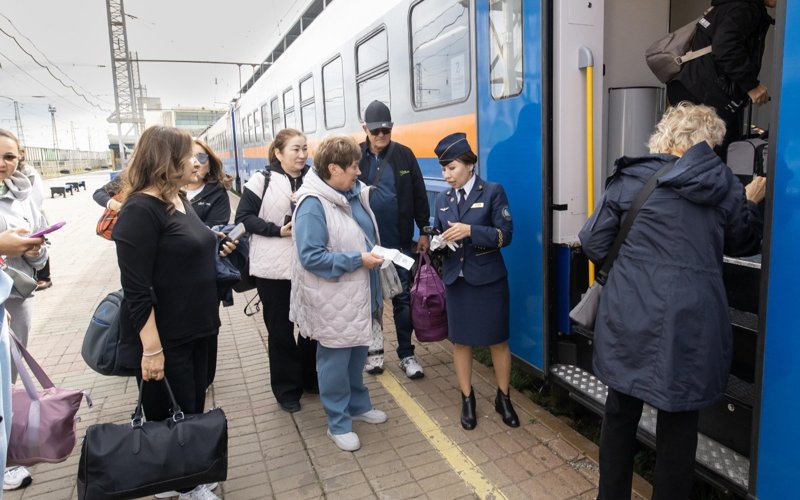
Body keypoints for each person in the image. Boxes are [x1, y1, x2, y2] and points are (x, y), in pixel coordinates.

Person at [578, 103, 765, 499]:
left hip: (629, 317)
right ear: (707, 144)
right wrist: (749, 201)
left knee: (620, 414)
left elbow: (593, 242)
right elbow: (744, 241)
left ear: (663, 136)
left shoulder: (631, 179)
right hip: (692, 325)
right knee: (679, 427)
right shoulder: (725, 185)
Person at [113, 126, 234, 500]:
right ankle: (181, 485)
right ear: (168, 160)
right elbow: (136, 289)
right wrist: (151, 349)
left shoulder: (178, 199)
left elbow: (187, 243)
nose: (197, 161)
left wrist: (216, 244)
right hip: (168, 336)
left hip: (199, 326)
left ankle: (187, 476)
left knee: (193, 406)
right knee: (171, 411)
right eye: (189, 155)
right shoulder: (139, 210)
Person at [291, 135, 388, 452]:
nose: (359, 172)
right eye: (354, 166)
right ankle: (338, 422)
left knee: (357, 354)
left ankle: (358, 406)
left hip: (358, 293)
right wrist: (358, 259)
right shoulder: (312, 205)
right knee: (334, 363)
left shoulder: (349, 194)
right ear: (333, 168)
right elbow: (311, 257)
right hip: (333, 299)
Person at [430, 132, 519, 431]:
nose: (446, 175)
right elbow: (438, 233)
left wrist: (470, 231)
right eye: (443, 169)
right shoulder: (442, 199)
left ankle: (503, 397)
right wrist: (438, 242)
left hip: (489, 280)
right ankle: (467, 399)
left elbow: (505, 235)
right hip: (457, 280)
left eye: (451, 168)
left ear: (469, 164)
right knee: (462, 342)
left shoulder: (493, 191)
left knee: (498, 341)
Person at [234, 128, 317, 413]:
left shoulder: (313, 178)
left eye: (305, 148)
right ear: (279, 152)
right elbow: (243, 218)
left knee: (310, 328)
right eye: (295, 149)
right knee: (281, 330)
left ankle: (310, 378)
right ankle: (287, 390)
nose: (302, 154)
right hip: (272, 270)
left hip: (309, 266)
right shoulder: (262, 179)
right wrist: (276, 230)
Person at [357, 100, 430, 378]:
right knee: (371, 301)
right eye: (375, 131)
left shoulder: (404, 155)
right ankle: (374, 353)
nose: (380, 135)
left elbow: (420, 193)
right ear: (365, 129)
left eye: (385, 130)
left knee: (402, 300)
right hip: (366, 245)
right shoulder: (355, 156)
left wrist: (423, 229)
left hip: (399, 243)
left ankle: (406, 354)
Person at [0, 129, 48, 491]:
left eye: (8, 157)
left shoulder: (25, 194)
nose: (2, 164)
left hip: (15, 295)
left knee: (7, 379)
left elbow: (40, 240)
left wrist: (35, 251)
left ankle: (6, 449)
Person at [667, 0, 776, 156]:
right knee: (711, 161)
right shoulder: (745, 7)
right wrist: (751, 85)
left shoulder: (729, 5)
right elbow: (725, 47)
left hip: (693, 89)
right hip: (707, 96)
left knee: (690, 156)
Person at [185, 139, 232, 227]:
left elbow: (213, 231)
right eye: (189, 157)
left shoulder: (218, 194)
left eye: (201, 157)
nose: (196, 163)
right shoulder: (168, 192)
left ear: (210, 165)